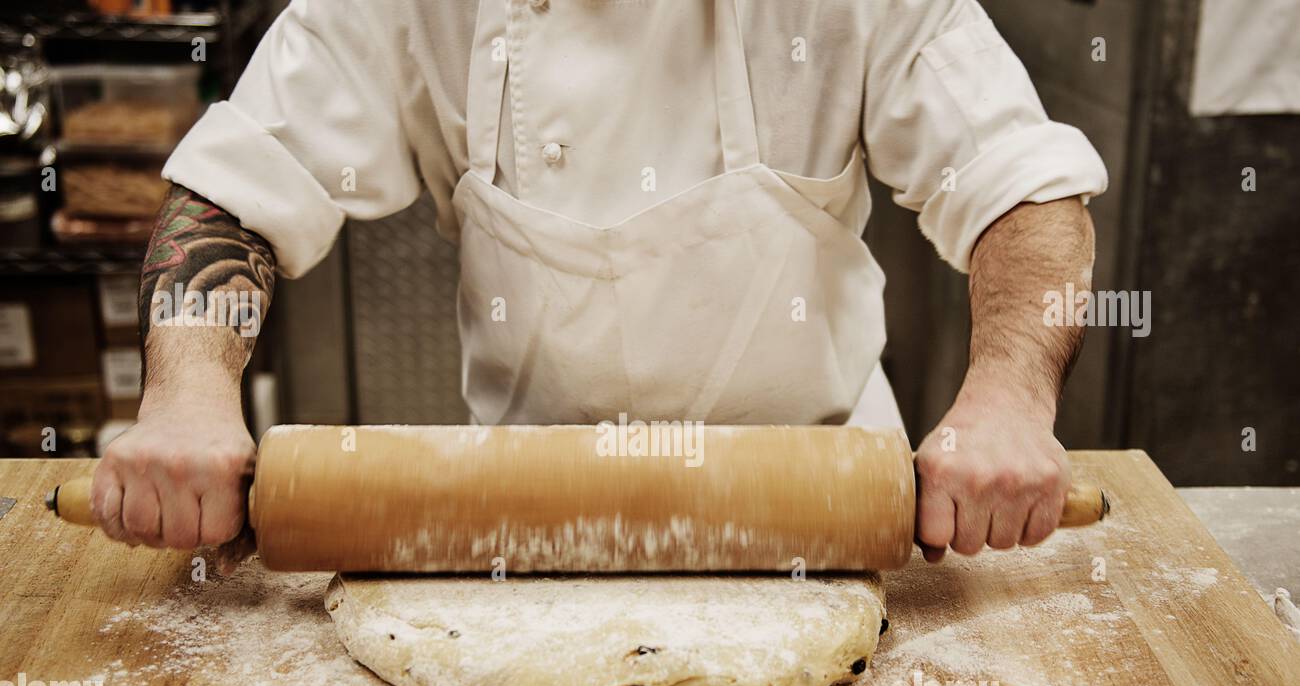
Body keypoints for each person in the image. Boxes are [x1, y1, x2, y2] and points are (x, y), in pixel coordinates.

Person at [91, 0, 1106, 563]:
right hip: (524, 532)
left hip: (829, 515)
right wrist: (187, 396)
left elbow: (1025, 193)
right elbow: (228, 197)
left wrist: (1008, 402)